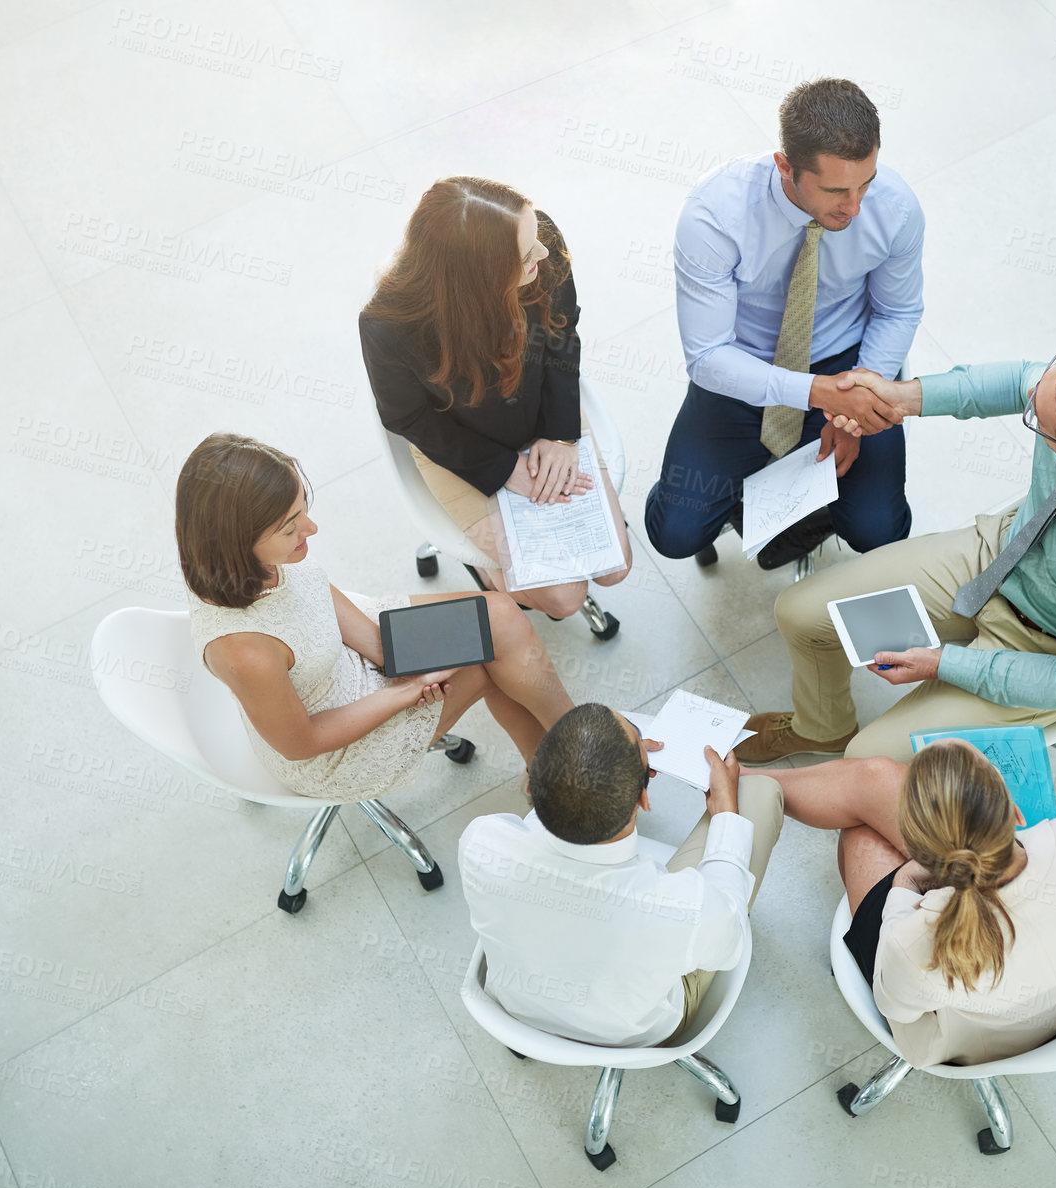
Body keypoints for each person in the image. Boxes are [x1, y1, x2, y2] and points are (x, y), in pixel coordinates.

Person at [738, 345, 1056, 763]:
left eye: (1038, 420)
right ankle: (822, 728)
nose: (1033, 391)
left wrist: (945, 663)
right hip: (1000, 553)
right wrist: (901, 399)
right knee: (801, 612)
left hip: (1043, 648)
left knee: (867, 758)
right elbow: (1018, 381)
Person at [174, 433, 576, 803]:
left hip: (343, 651)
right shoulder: (245, 653)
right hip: (335, 747)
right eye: (290, 527)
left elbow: (310, 592)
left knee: (498, 618)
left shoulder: (236, 559)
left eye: (303, 512)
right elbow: (303, 743)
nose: (311, 529)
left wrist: (389, 654)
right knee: (494, 656)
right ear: (236, 543)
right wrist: (402, 691)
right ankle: (572, 761)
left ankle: (568, 751)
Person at [644, 77, 923, 570]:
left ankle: (776, 535)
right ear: (785, 167)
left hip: (848, 364)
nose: (855, 207)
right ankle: (746, 510)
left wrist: (859, 400)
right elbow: (708, 356)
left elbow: (897, 311)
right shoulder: (714, 214)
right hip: (744, 365)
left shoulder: (895, 209)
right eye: (836, 190)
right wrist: (819, 395)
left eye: (866, 182)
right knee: (675, 532)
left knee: (880, 531)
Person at [765, 739, 1056, 1067]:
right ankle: (752, 784)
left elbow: (893, 1004)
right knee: (878, 777)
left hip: (978, 1042)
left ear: (921, 854)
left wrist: (906, 882)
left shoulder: (915, 944)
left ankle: (749, 790)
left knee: (860, 834)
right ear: (1012, 807)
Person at [361, 177, 633, 619]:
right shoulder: (387, 323)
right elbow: (407, 416)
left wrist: (561, 437)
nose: (543, 254)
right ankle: (489, 577)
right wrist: (503, 469)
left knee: (614, 568)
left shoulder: (538, 237)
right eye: (527, 255)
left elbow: (563, 334)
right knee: (563, 601)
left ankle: (513, 572)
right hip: (460, 446)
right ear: (478, 279)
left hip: (546, 415)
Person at [458, 704, 782, 1048]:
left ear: (531, 787)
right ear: (644, 799)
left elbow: (544, 821)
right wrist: (726, 813)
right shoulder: (685, 910)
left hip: (518, 1007)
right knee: (758, 793)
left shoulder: (481, 842)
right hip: (636, 1032)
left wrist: (598, 770)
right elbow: (729, 939)